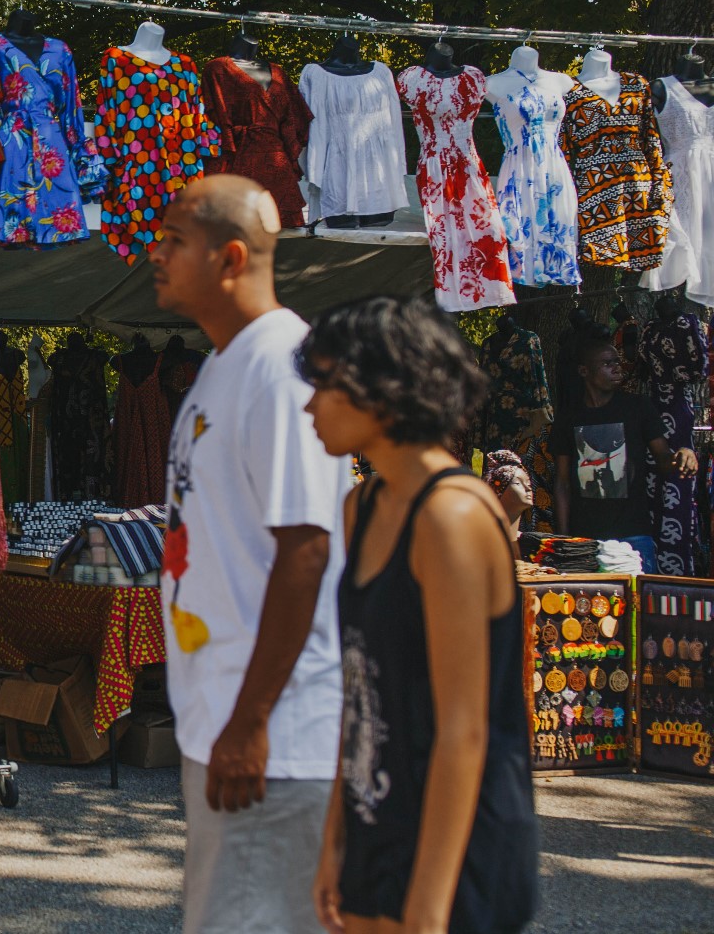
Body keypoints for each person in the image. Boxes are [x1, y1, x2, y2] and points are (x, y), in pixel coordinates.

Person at [147, 174, 353, 934]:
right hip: (225, 721)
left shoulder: (280, 365)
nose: (154, 254)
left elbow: (306, 548)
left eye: (174, 240)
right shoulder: (222, 366)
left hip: (272, 739)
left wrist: (252, 721)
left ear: (229, 257)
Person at [299, 296, 538, 934]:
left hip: (459, 840)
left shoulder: (452, 517)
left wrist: (430, 908)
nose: (308, 406)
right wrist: (333, 843)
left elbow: (466, 729)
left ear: (380, 392)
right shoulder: (363, 507)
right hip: (380, 810)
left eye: (324, 386)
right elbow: (359, 688)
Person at [551, 333, 696, 571]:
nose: (617, 368)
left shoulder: (638, 407)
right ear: (584, 371)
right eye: (607, 364)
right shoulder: (569, 417)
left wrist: (682, 455)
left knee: (638, 606)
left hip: (633, 536)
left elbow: (663, 459)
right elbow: (562, 482)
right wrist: (564, 539)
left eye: (617, 362)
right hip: (584, 539)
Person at [482, 449, 534, 542]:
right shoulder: (486, 542)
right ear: (497, 490)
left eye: (528, 483)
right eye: (518, 483)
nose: (527, 488)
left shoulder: (536, 545)